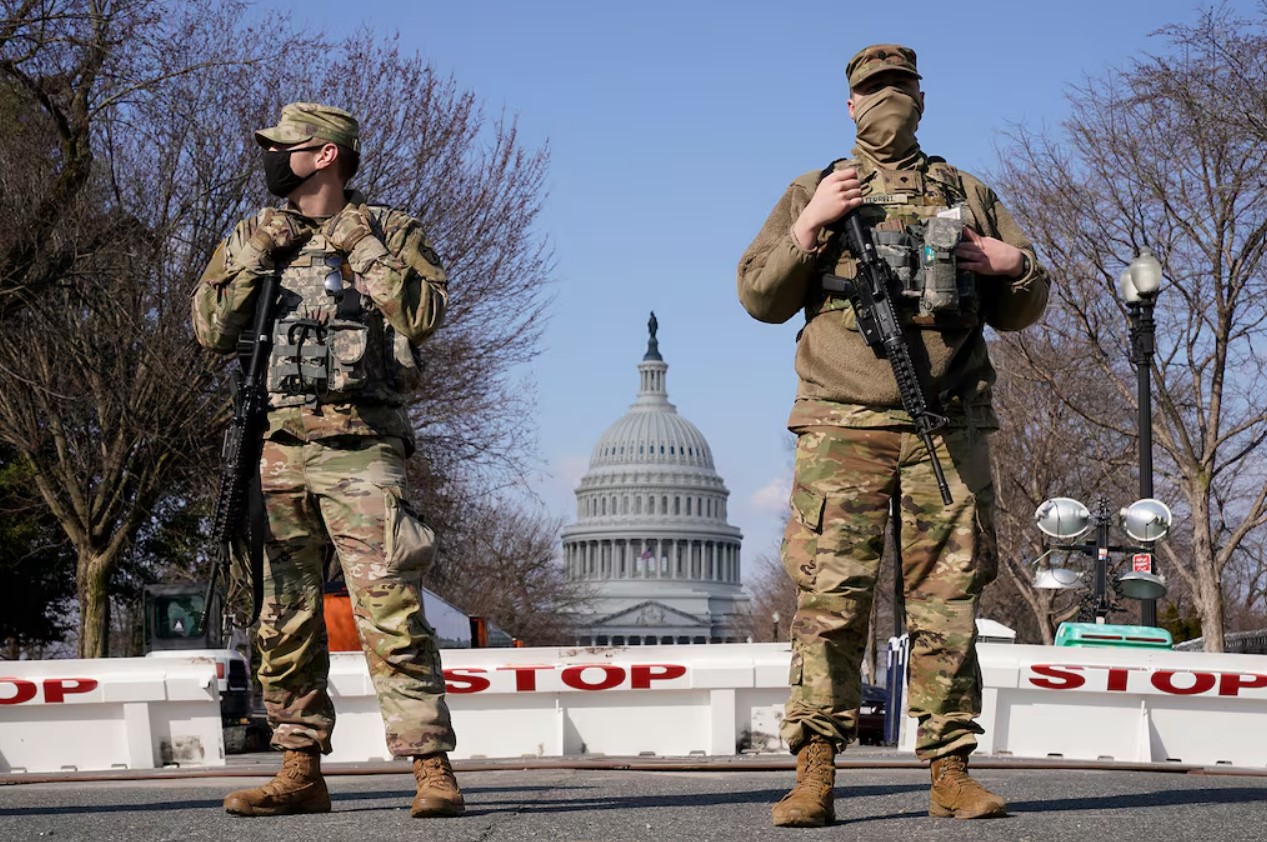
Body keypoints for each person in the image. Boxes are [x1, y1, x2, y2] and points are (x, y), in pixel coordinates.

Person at [737, 45, 1049, 826]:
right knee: (831, 599)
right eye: (872, 89)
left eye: (899, 86)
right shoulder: (814, 187)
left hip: (946, 421)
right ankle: (814, 771)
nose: (887, 100)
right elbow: (758, 297)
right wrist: (810, 224)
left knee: (947, 603)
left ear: (921, 97)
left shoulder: (965, 192)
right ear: (849, 105)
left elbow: (1020, 307)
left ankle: (950, 770)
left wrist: (1013, 264)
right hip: (842, 425)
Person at [192, 102, 462, 818]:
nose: (272, 158)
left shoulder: (391, 229)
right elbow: (208, 328)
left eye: (287, 147)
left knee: (391, 609)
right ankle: (299, 769)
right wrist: (256, 252)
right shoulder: (252, 232)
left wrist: (359, 245)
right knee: (282, 616)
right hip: (275, 449)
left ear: (326, 155)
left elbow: (423, 316)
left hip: (362, 448)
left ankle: (430, 768)